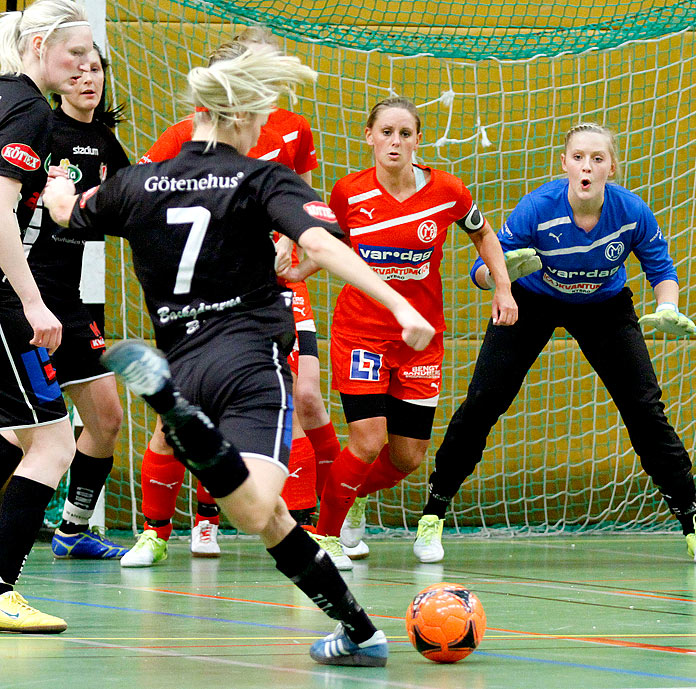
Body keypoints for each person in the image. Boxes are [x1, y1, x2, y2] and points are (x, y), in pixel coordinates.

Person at [41, 44, 434, 666]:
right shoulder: (259, 178)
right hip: (251, 361)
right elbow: (322, 246)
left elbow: (67, 212)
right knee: (256, 509)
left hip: (185, 362)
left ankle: (361, 634)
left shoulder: (139, 184)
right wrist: (401, 306)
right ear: (244, 117)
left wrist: (59, 183)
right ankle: (169, 404)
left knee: (265, 514)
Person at [409, 122, 696, 566]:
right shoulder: (537, 207)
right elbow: (485, 272)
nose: (587, 167)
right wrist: (503, 273)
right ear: (565, 164)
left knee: (645, 411)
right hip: (532, 301)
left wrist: (667, 307)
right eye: (578, 158)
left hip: (604, 306)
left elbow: (661, 269)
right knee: (483, 401)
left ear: (611, 167)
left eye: (597, 159)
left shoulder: (632, 212)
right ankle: (433, 515)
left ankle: (694, 526)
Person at [123, 29, 345, 567]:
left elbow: (301, 199)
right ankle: (163, 528)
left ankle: (329, 522)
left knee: (308, 395)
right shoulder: (184, 136)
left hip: (277, 283)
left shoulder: (291, 129)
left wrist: (297, 247)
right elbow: (151, 199)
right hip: (209, 292)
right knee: (181, 413)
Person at [287, 96, 517, 559]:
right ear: (368, 136)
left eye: (405, 134)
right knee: (368, 440)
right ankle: (325, 536)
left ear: (417, 140)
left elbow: (483, 234)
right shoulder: (348, 193)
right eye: (386, 132)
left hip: (421, 338)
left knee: (408, 456)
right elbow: (334, 249)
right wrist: (292, 271)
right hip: (361, 333)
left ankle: (347, 495)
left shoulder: (448, 190)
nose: (395, 141)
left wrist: (504, 288)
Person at [0, 0, 94, 633]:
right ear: (36, 46)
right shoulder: (30, 109)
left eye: (92, 56)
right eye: (73, 53)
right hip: (4, 299)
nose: (85, 65)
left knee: (13, 435)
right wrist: (34, 302)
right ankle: (2, 590)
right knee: (56, 441)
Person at [15, 43, 129, 560]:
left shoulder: (104, 142)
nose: (89, 77)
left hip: (72, 299)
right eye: (78, 67)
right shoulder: (40, 127)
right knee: (28, 434)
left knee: (106, 418)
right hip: (26, 294)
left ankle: (74, 528)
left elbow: (128, 204)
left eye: (97, 68)